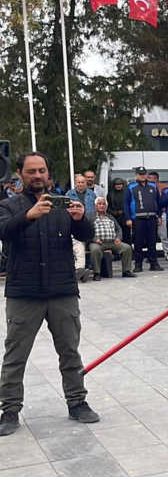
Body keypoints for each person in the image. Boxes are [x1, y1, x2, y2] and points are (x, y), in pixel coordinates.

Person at [0, 152, 100, 436]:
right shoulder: (9, 206)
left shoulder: (64, 204)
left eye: (42, 170)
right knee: (15, 355)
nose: (37, 176)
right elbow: (3, 231)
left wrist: (80, 219)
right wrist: (28, 216)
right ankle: (9, 410)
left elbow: (86, 234)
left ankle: (77, 402)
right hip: (24, 293)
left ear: (48, 173)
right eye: (31, 171)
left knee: (70, 350)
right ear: (20, 174)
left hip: (61, 291)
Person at [125, 166, 164, 272]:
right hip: (138, 218)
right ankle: (138, 264)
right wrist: (128, 218)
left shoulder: (153, 186)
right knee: (138, 242)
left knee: (152, 241)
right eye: (140, 174)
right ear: (136, 175)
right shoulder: (131, 187)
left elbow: (158, 202)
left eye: (144, 174)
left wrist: (159, 216)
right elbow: (126, 203)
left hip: (151, 217)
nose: (142, 176)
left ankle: (154, 263)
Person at [88, 197, 136, 279]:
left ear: (106, 206)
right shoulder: (90, 217)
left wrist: (118, 238)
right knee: (95, 250)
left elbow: (118, 229)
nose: (101, 206)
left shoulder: (110, 217)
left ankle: (126, 271)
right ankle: (97, 273)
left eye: (103, 204)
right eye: (99, 204)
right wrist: (95, 239)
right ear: (95, 206)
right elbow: (86, 231)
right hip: (98, 243)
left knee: (127, 248)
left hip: (112, 242)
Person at [106, 178, 130, 244]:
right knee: (116, 234)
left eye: (120, 184)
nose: (118, 186)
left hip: (125, 217)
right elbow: (108, 207)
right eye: (116, 184)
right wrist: (115, 212)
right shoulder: (110, 194)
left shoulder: (127, 193)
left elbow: (130, 205)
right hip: (114, 217)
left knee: (127, 235)